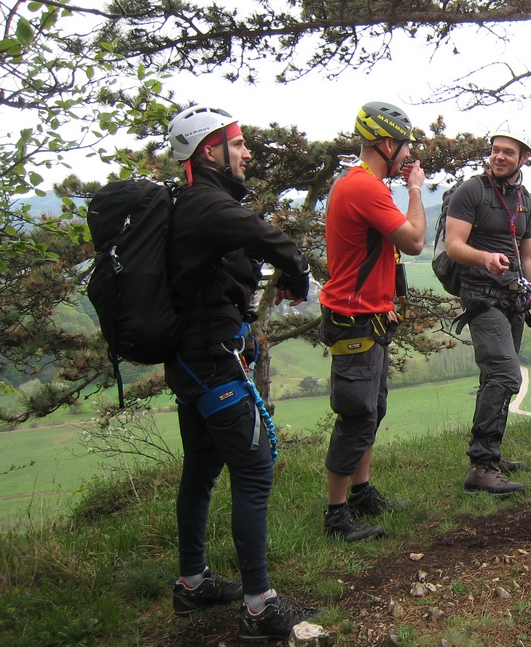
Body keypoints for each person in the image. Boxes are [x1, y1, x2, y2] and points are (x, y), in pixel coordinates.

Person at [164, 105, 317, 640]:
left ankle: (192, 582)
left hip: (191, 361)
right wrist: (299, 272)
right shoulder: (207, 203)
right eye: (237, 143)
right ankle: (258, 608)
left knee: (202, 467)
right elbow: (270, 238)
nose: (247, 152)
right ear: (210, 151)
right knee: (253, 471)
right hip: (213, 361)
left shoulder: (192, 202)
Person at [317, 101, 426, 541]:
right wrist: (415, 191)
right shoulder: (364, 187)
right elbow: (414, 241)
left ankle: (361, 493)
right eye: (404, 145)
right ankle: (336, 514)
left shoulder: (361, 184)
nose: (408, 154)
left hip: (369, 315)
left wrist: (385, 300)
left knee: (371, 409)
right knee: (356, 414)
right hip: (355, 320)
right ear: (385, 143)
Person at [444, 124, 531, 495]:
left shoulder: (524, 198)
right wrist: (485, 257)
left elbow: (529, 255)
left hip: (512, 298)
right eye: (495, 150)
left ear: (524, 157)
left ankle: (492, 454)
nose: (499, 157)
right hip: (480, 296)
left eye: (508, 151)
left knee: (495, 377)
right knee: (506, 374)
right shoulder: (473, 191)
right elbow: (454, 244)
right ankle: (482, 466)